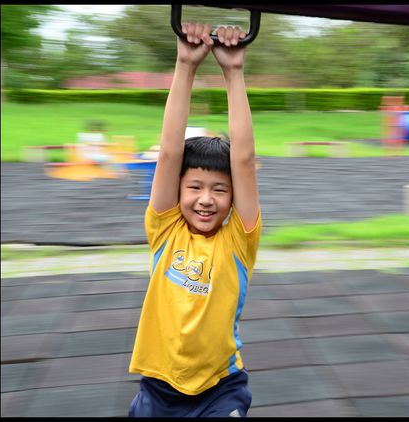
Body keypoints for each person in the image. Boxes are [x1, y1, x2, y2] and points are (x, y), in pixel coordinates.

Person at [127, 22, 261, 417]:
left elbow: (244, 162)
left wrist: (233, 72)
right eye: (195, 188)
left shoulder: (238, 239)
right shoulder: (165, 229)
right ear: (178, 191)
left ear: (234, 198)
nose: (206, 200)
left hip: (221, 389)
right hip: (158, 389)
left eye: (220, 190)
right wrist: (185, 65)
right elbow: (169, 154)